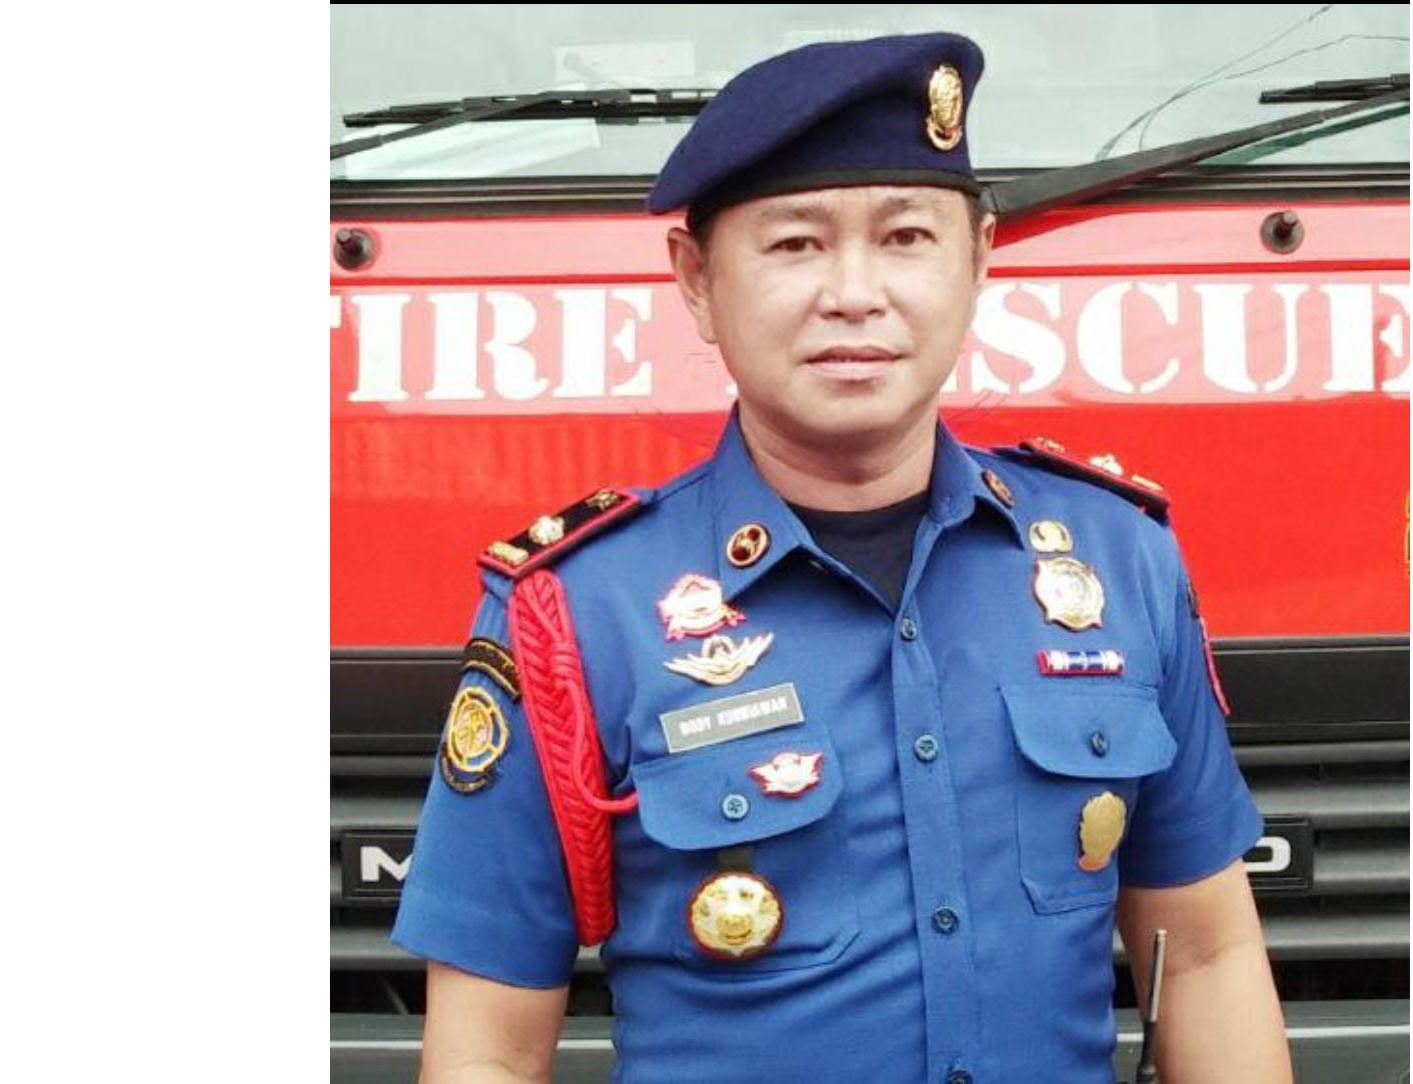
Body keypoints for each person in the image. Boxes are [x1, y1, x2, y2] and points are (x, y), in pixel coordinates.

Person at [391, 31, 1291, 1084]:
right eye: (795, 245)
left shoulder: (1115, 559)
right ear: (696, 280)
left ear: (979, 260)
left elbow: (1207, 955)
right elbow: (489, 1051)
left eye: (905, 237)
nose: (855, 293)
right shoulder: (579, 610)